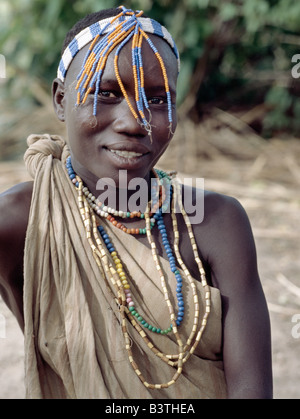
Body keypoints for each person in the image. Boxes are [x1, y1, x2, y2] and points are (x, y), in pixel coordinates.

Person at [0, 6, 273, 399]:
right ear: (61, 100)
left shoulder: (218, 224)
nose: (134, 122)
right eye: (106, 93)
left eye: (159, 99)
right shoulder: (21, 222)